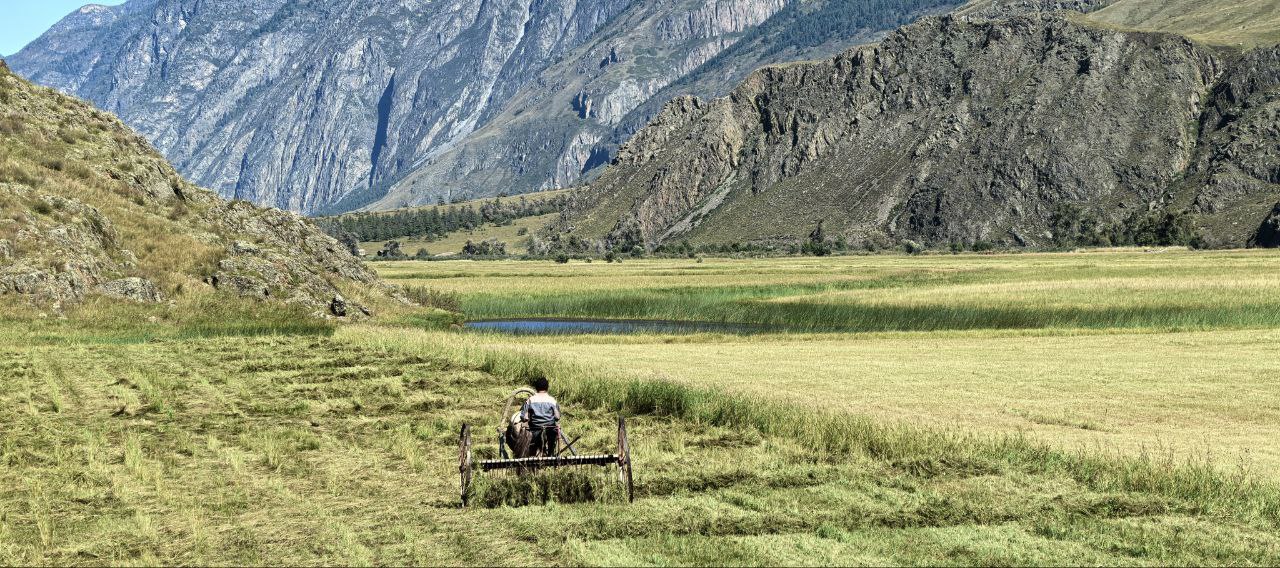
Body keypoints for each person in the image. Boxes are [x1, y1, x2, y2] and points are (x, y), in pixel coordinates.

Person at [520, 376, 561, 457]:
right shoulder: (552, 400)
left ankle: (532, 455)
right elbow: (557, 417)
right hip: (550, 430)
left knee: (531, 442)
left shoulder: (530, 400)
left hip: (535, 430)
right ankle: (551, 454)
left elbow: (524, 417)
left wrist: (527, 417)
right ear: (547, 388)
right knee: (553, 438)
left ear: (536, 387)